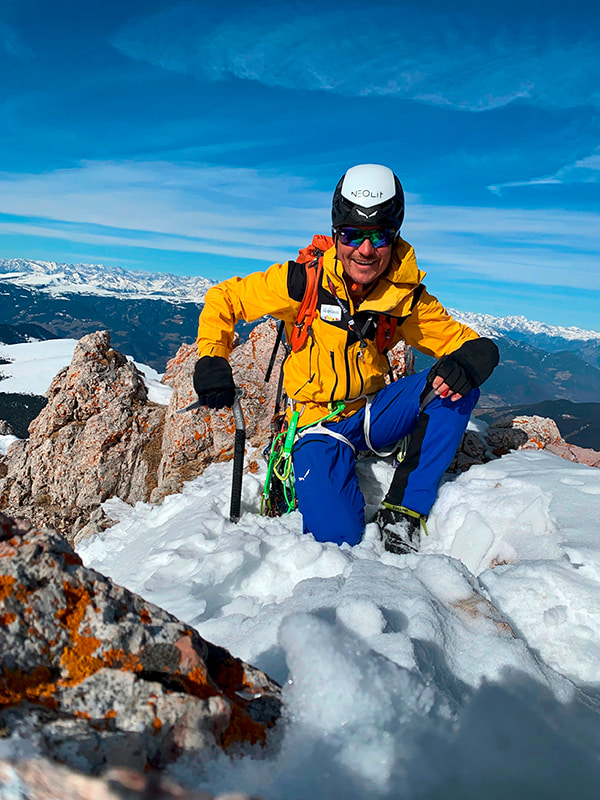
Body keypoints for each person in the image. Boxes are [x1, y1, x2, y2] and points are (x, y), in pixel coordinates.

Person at [194, 164, 499, 553]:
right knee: (337, 539)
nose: (366, 250)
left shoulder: (404, 298)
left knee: (457, 382)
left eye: (380, 235)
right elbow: (226, 297)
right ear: (337, 233)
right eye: (354, 234)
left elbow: (464, 345)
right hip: (316, 424)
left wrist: (478, 357)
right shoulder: (302, 281)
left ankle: (404, 510)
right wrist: (211, 356)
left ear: (395, 235)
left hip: (372, 412)